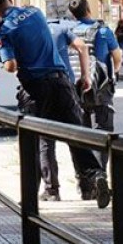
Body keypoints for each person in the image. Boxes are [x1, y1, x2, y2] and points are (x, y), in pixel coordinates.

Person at [0, 0, 110, 209]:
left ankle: (32, 197)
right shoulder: (35, 12)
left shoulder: (3, 30)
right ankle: (96, 175)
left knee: (33, 141)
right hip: (62, 83)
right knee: (76, 134)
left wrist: (7, 63)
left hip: (35, 89)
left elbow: (11, 65)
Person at [17, 16, 91, 202]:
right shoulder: (60, 29)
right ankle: (88, 186)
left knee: (45, 140)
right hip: (65, 85)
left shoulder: (27, 34)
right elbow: (82, 46)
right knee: (76, 137)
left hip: (42, 89)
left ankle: (51, 190)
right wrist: (85, 76)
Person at [68, 0, 121, 147]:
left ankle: (85, 168)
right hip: (100, 86)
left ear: (73, 14)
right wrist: (114, 73)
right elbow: (117, 58)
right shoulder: (103, 31)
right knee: (105, 130)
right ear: (89, 10)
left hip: (76, 87)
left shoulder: (68, 31)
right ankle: (101, 166)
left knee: (81, 132)